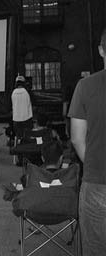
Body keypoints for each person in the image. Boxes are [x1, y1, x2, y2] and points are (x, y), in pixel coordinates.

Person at [68, 27, 106, 255]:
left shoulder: (85, 86)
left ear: (101, 51)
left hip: (97, 183)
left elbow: (76, 138)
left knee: (95, 248)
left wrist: (93, 162)